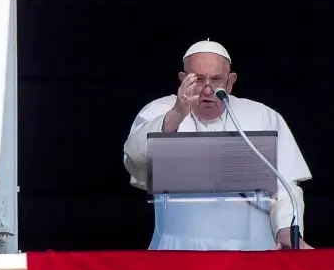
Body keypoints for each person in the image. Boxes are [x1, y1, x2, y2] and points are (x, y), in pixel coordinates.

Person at [123, 40, 313, 250]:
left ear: (230, 82)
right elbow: (134, 158)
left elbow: (285, 186)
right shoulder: (160, 110)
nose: (207, 89)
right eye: (197, 79)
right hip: (179, 248)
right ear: (182, 79)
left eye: (216, 80)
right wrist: (176, 115)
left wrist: (286, 229)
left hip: (252, 250)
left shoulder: (263, 116)